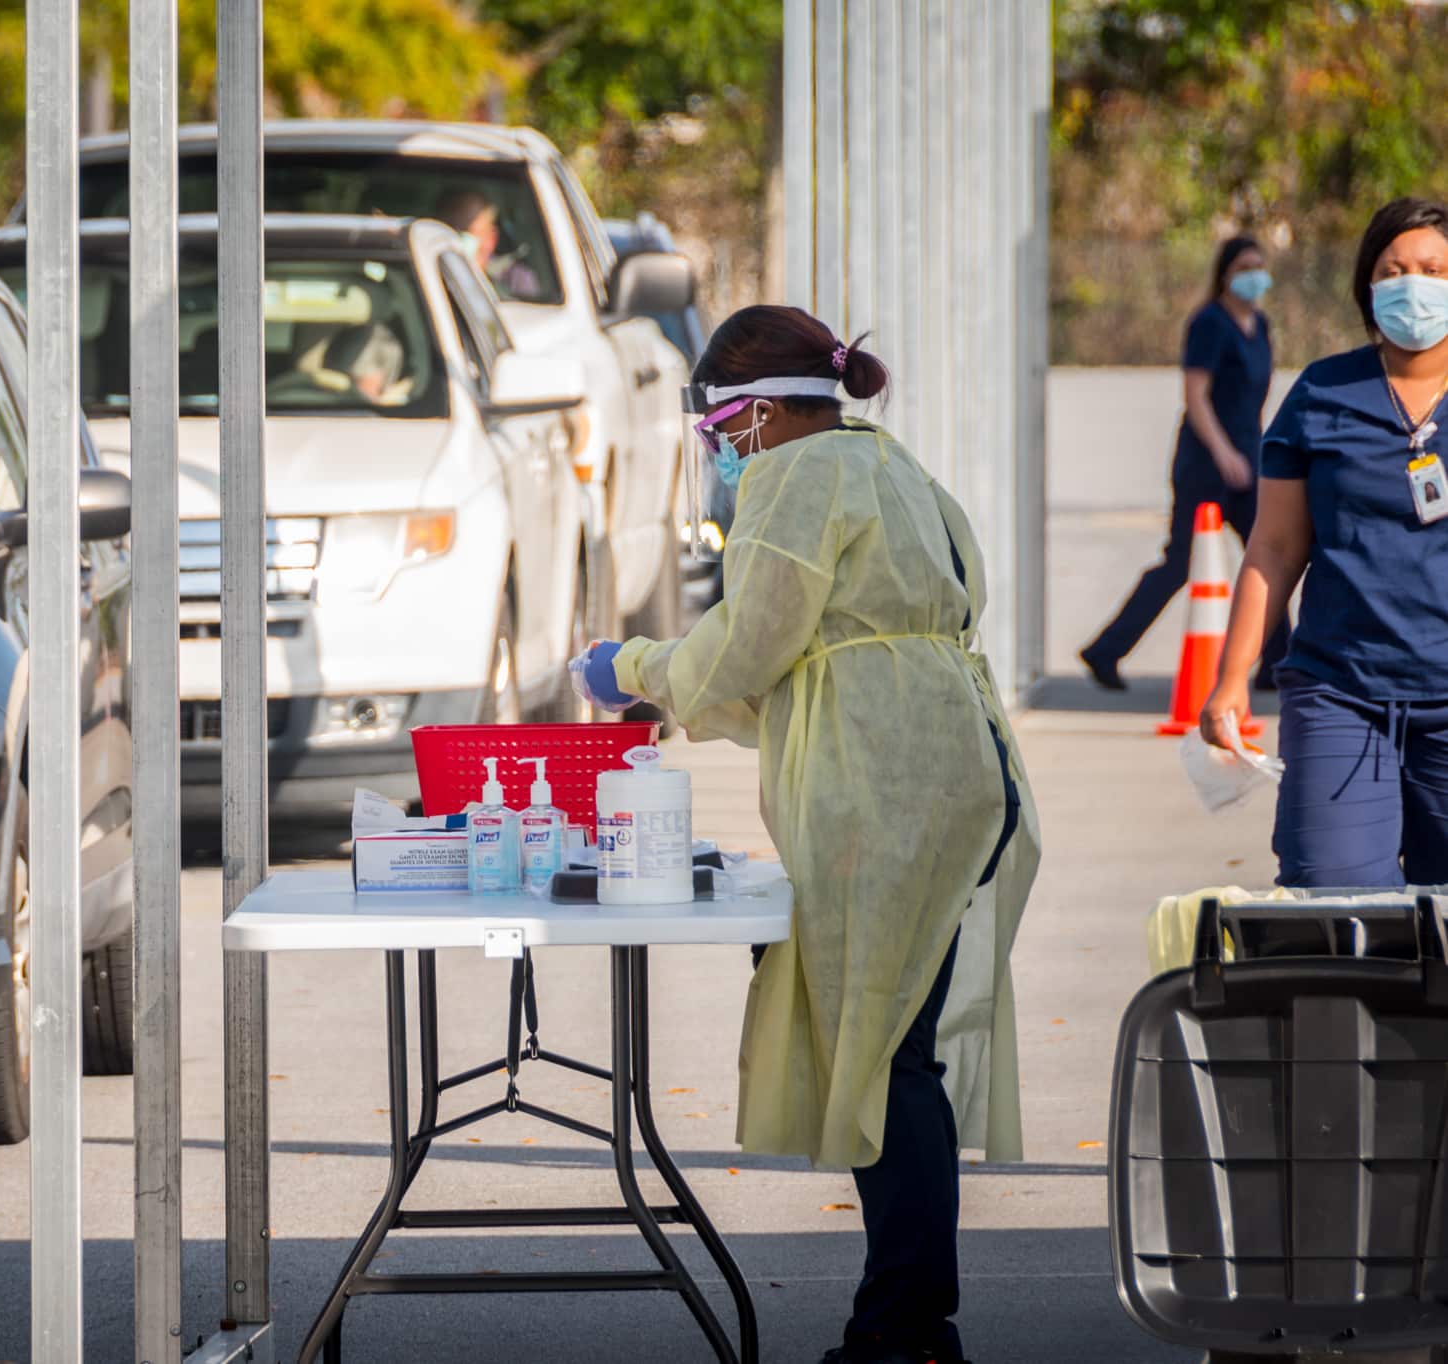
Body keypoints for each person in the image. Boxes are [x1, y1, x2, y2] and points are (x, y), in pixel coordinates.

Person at [572, 306, 1038, 1364]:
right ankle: (909, 1322)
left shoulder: (795, 475)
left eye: (725, 427)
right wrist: (686, 682)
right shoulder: (895, 462)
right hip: (959, 765)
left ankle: (907, 1331)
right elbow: (824, 649)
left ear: (767, 409)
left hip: (883, 785)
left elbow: (750, 642)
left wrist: (633, 668)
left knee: (884, 1060)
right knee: (898, 1051)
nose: (722, 452)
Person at [1201, 197, 1448, 889]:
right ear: (1369, 287)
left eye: (1433, 270)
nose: (1414, 285)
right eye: (1394, 270)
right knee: (1336, 913)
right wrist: (1229, 683)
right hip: (1341, 695)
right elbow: (1274, 550)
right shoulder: (1322, 394)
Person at [1082, 236, 1287, 691]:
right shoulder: (1210, 323)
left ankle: (1279, 662)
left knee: (1269, 554)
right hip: (1207, 464)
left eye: (1260, 265)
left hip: (1248, 461)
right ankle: (1105, 650)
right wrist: (1223, 452)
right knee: (1180, 563)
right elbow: (1196, 396)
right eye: (1244, 266)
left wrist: (1255, 452)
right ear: (1226, 272)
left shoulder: (1262, 324)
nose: (1254, 275)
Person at [431, 188, 542, 300]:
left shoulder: (517, 280)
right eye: (454, 231)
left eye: (470, 233)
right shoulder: (427, 274)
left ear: (492, 238)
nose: (459, 241)